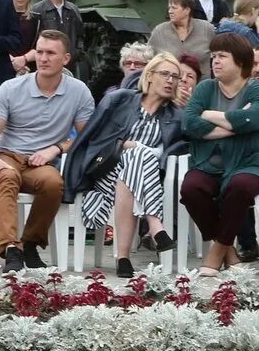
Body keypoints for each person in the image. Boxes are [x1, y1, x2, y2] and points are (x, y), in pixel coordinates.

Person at [0, 29, 95, 272]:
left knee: (53, 183)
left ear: (65, 59)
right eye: (40, 52)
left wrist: (56, 148)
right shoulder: (11, 88)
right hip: (7, 155)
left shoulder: (78, 91)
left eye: (50, 53)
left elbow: (86, 138)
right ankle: (11, 250)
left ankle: (30, 244)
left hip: (41, 163)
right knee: (7, 175)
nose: (43, 58)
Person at [66, 50, 183, 278]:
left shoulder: (176, 115)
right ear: (149, 75)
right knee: (134, 155)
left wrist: (138, 149)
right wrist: (122, 145)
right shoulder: (118, 100)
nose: (170, 80)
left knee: (135, 158)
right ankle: (155, 227)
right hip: (106, 172)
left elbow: (178, 150)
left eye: (175, 77)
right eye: (165, 74)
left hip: (141, 180)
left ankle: (123, 257)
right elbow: (94, 138)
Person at [179, 31, 259, 275]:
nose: (215, 61)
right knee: (191, 188)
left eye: (222, 56)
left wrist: (210, 116)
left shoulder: (258, 90)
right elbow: (189, 124)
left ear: (240, 61)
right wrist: (235, 126)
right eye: (213, 56)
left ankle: (217, 250)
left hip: (248, 162)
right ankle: (229, 252)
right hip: (208, 163)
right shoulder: (205, 89)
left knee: (240, 186)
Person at [32, 0, 83, 74]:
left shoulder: (73, 9)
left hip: (69, 61)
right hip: (46, 61)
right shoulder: (37, 9)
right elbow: (32, 37)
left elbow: (80, 34)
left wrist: (77, 52)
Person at [150, 0, 215, 66]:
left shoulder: (206, 29)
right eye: (169, 8)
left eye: (174, 8)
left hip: (201, 77)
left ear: (187, 10)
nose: (170, 11)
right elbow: (147, 56)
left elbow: (219, 52)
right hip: (171, 77)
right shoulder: (160, 31)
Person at [8, 0, 39, 71]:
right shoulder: (1, 17)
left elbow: (40, 45)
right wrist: (13, 61)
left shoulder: (37, 19)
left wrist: (23, 59)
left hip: (30, 66)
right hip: (7, 64)